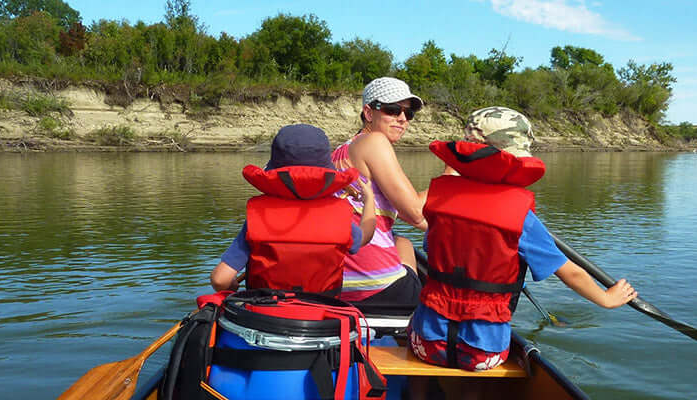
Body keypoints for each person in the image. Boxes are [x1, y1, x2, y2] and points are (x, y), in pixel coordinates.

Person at [407, 106, 639, 372]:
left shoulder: (439, 200)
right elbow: (570, 273)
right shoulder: (521, 217)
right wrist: (606, 298)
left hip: (426, 342)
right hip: (482, 352)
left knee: (420, 324)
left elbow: (433, 247)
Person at [209, 124, 377, 295]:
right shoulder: (339, 217)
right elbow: (364, 236)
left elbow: (220, 279)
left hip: (263, 313)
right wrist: (369, 200)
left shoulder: (258, 216)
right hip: (322, 316)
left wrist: (232, 287)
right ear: (327, 174)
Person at [331, 77, 428, 308]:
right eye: (393, 110)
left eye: (409, 113)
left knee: (402, 240)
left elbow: (413, 217)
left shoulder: (341, 150)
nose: (403, 119)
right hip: (376, 287)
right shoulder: (375, 142)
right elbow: (415, 213)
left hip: (338, 285)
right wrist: (453, 170)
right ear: (368, 112)